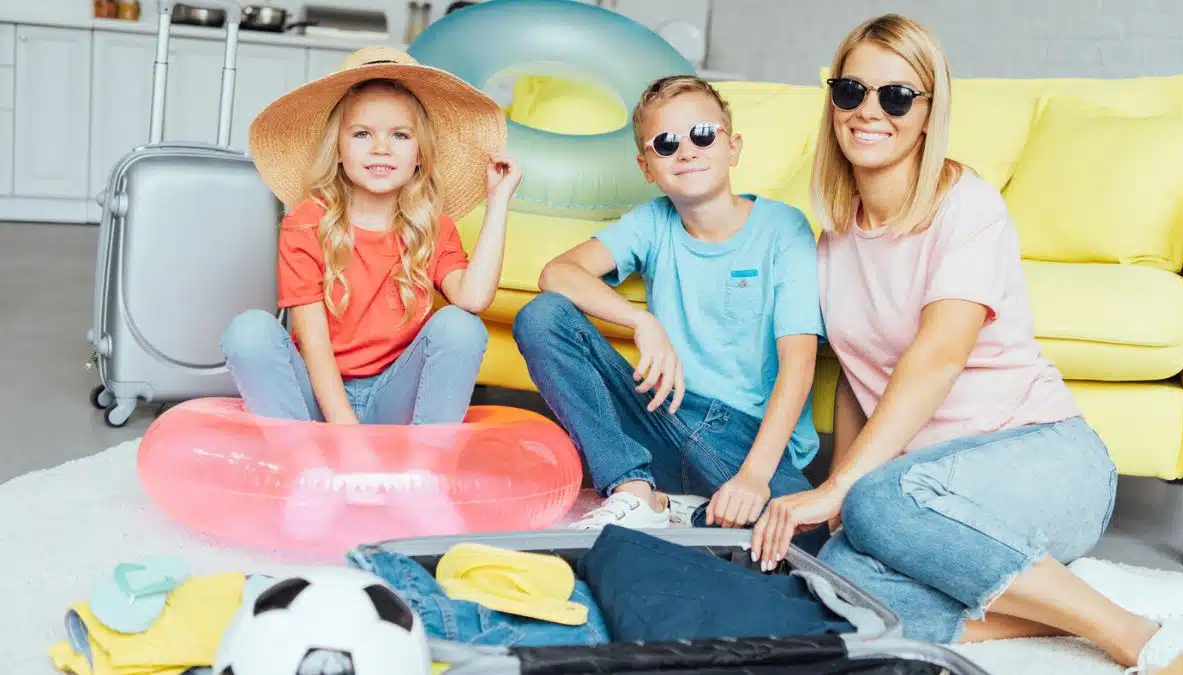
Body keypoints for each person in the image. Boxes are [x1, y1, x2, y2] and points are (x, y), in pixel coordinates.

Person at [749, 14, 1183, 672]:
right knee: (833, 573)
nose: (868, 111)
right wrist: (844, 505)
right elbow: (855, 373)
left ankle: (1132, 633)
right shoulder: (834, 239)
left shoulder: (968, 207)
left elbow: (937, 357)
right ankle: (1053, 603)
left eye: (896, 96)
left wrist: (843, 485)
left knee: (874, 500)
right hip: (927, 494)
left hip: (1047, 463)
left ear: (929, 113)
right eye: (851, 91)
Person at [512, 75, 828, 551]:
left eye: (703, 134)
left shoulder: (783, 228)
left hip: (742, 442)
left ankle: (683, 510)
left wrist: (754, 478)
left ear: (732, 147)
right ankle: (634, 488)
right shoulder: (652, 223)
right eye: (665, 144)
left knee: (807, 541)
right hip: (663, 415)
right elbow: (558, 273)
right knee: (543, 316)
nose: (687, 151)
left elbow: (799, 363)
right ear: (646, 167)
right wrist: (644, 323)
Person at [221, 46, 521, 427]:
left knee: (461, 326)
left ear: (420, 155)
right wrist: (344, 431)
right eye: (363, 133)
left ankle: (426, 466)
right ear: (339, 151)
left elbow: (474, 298)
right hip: (317, 398)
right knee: (248, 330)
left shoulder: (433, 224)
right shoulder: (306, 222)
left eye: (399, 135)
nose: (381, 147)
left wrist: (498, 202)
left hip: (394, 400)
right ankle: (303, 465)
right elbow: (312, 341)